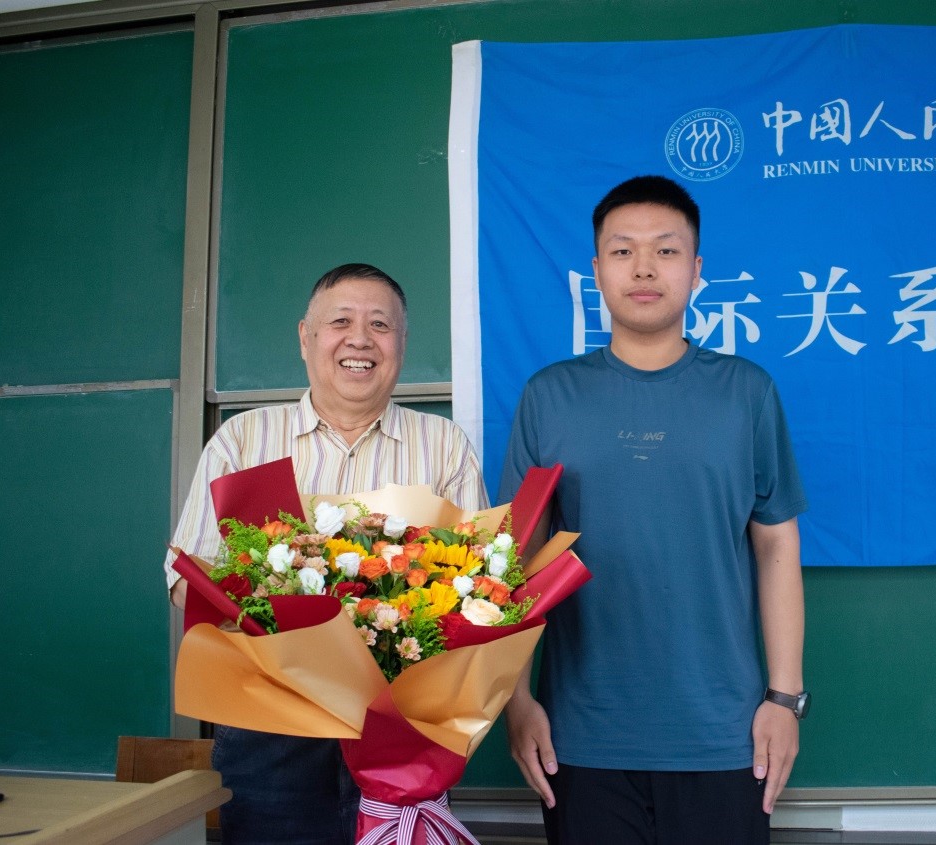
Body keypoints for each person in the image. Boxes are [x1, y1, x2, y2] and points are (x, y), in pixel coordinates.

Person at [498, 175, 809, 844]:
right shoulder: (548, 396)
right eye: (623, 251)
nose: (643, 268)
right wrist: (516, 698)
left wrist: (785, 698)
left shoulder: (746, 392)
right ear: (596, 271)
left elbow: (778, 546)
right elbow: (516, 559)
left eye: (665, 251)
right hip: (579, 735)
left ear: (695, 270)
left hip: (724, 733)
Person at [164, 262, 488, 844]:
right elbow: (188, 577)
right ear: (305, 337)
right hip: (271, 728)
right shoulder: (243, 441)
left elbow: (484, 591)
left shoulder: (444, 447)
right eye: (340, 322)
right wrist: (268, 615)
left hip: (404, 734)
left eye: (379, 325)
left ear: (402, 343)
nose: (359, 340)